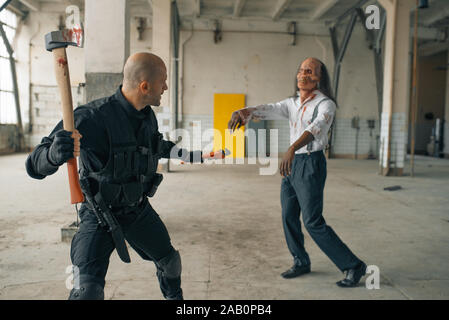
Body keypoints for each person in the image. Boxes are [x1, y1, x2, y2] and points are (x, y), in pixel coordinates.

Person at [25, 52, 223, 300]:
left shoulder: (147, 116)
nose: (166, 87)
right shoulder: (92, 117)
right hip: (99, 215)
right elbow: (34, 164)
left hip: (137, 211)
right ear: (145, 86)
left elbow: (157, 146)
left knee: (171, 263)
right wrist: (53, 155)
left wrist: (196, 156)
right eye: (163, 81)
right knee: (87, 291)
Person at [228, 57, 367, 287]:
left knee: (312, 221)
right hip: (292, 164)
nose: (304, 74)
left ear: (320, 78)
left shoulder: (326, 104)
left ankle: (353, 265)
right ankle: (300, 260)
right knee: (288, 215)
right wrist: (244, 111)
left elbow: (317, 128)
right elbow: (270, 109)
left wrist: (292, 148)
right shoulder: (292, 103)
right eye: (302, 70)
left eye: (310, 71)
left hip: (310, 162)